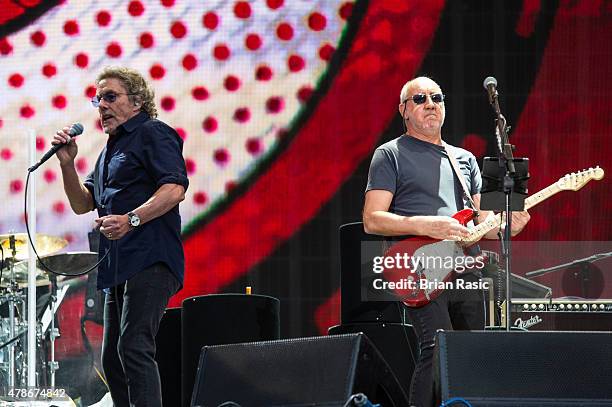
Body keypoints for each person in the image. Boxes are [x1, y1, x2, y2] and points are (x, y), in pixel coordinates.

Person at [362, 76, 530, 407]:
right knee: (436, 348)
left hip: (466, 263)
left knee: (468, 354)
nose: (430, 104)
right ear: (404, 111)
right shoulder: (390, 154)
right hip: (422, 264)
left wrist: (509, 226)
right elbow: (372, 219)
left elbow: (483, 222)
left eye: (437, 98)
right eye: (420, 98)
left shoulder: (464, 159)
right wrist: (428, 225)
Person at [53, 66, 189, 406]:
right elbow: (82, 203)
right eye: (98, 99)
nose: (101, 105)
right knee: (114, 359)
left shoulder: (152, 133)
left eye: (110, 97)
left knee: (134, 346)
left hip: (150, 257)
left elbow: (174, 189)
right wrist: (67, 164)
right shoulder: (107, 154)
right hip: (118, 266)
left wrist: (131, 219)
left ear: (137, 101)